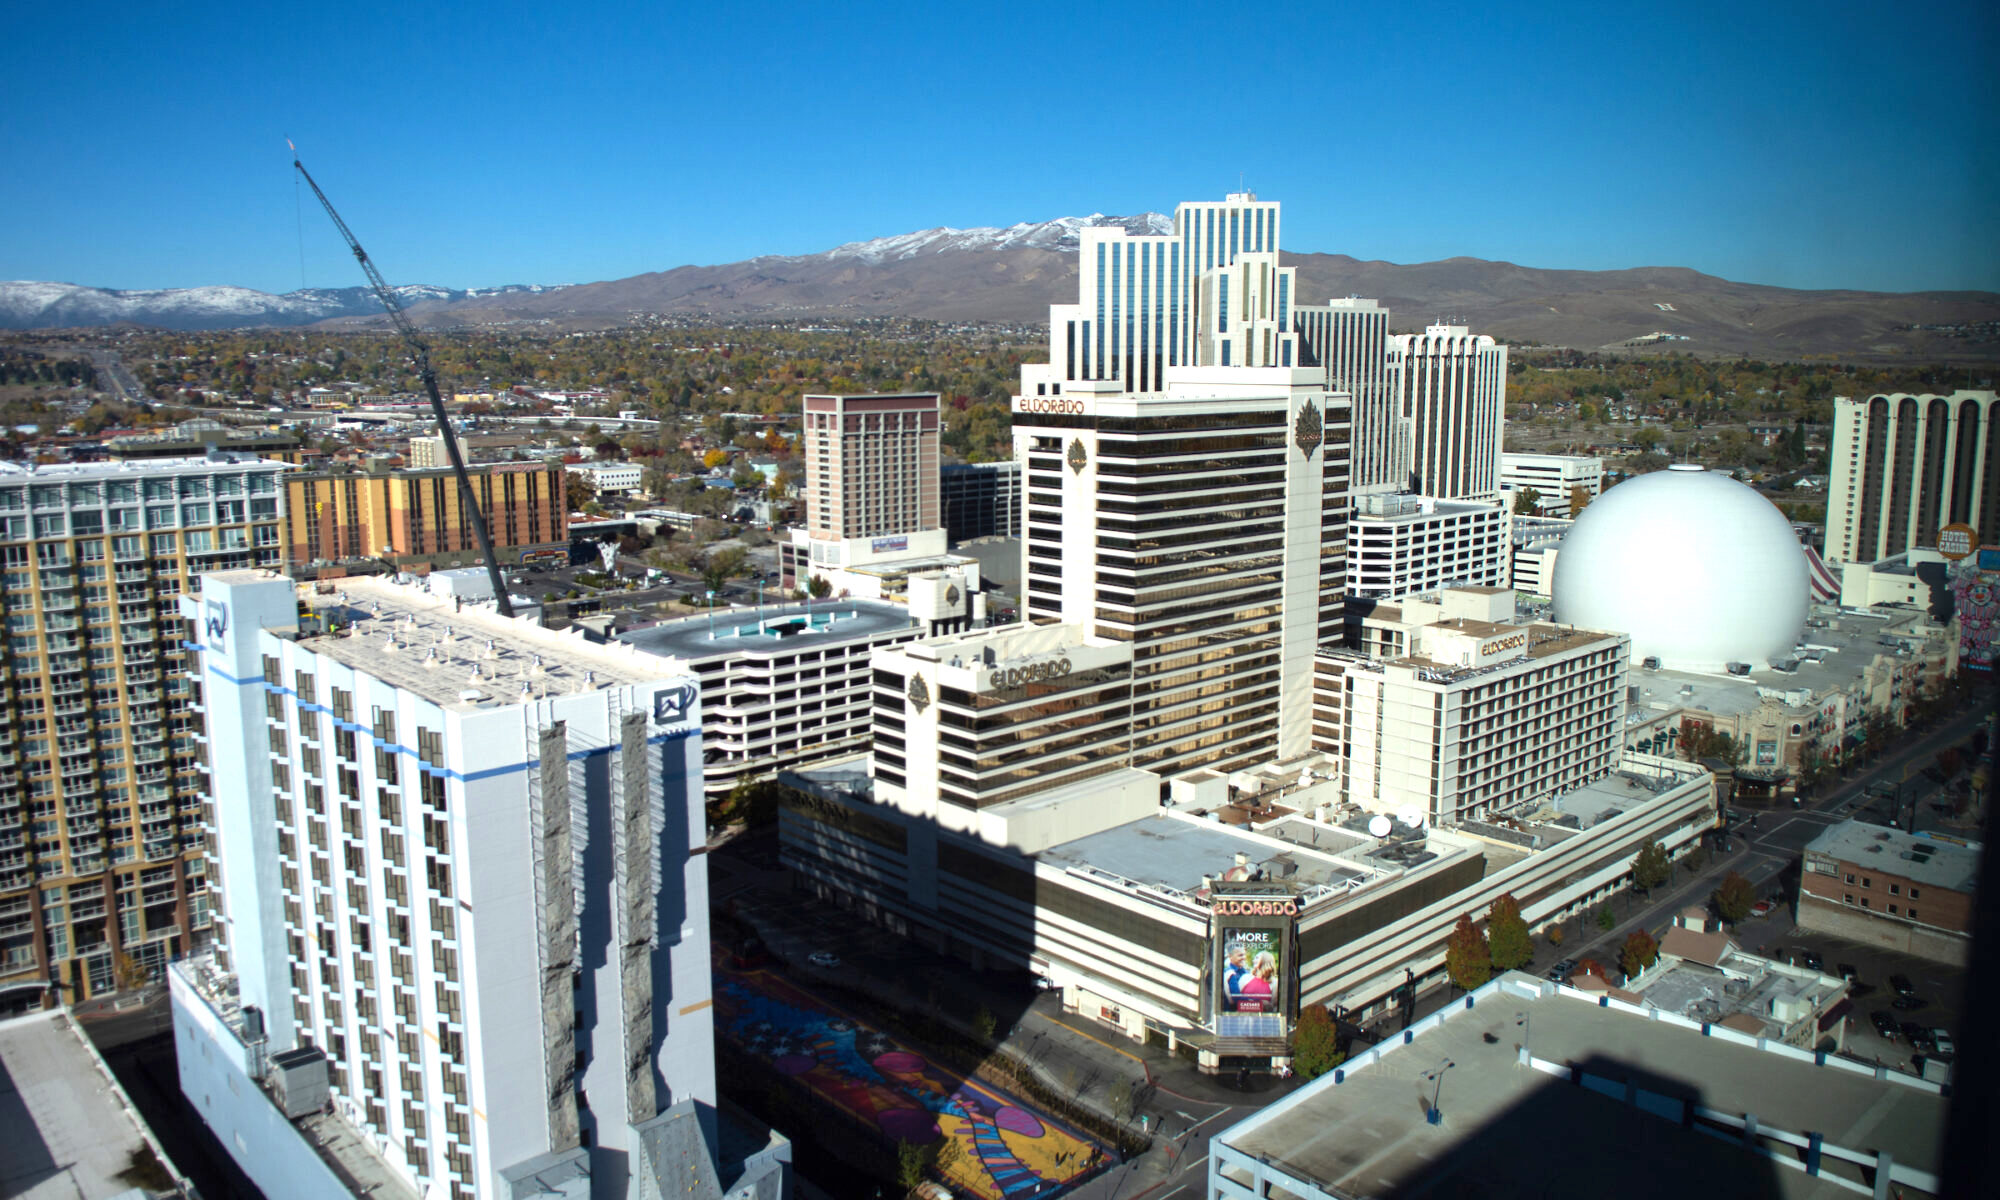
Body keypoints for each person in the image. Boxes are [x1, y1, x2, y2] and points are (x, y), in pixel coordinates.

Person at [1223, 942, 1250, 1008]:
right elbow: (1236, 999)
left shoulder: (1246, 972)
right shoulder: (1229, 973)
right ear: (1230, 956)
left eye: (1244, 955)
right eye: (1240, 955)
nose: (1244, 957)